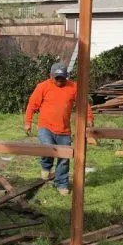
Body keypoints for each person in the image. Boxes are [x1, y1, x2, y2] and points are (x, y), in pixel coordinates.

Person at [24, 62, 93, 195]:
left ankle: (62, 184)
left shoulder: (73, 87)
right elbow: (32, 104)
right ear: (51, 76)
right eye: (57, 78)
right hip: (46, 127)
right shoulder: (43, 87)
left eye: (62, 78)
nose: (60, 80)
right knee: (47, 147)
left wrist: (89, 117)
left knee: (64, 157)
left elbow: (83, 103)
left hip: (64, 130)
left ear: (66, 76)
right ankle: (46, 166)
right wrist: (28, 122)